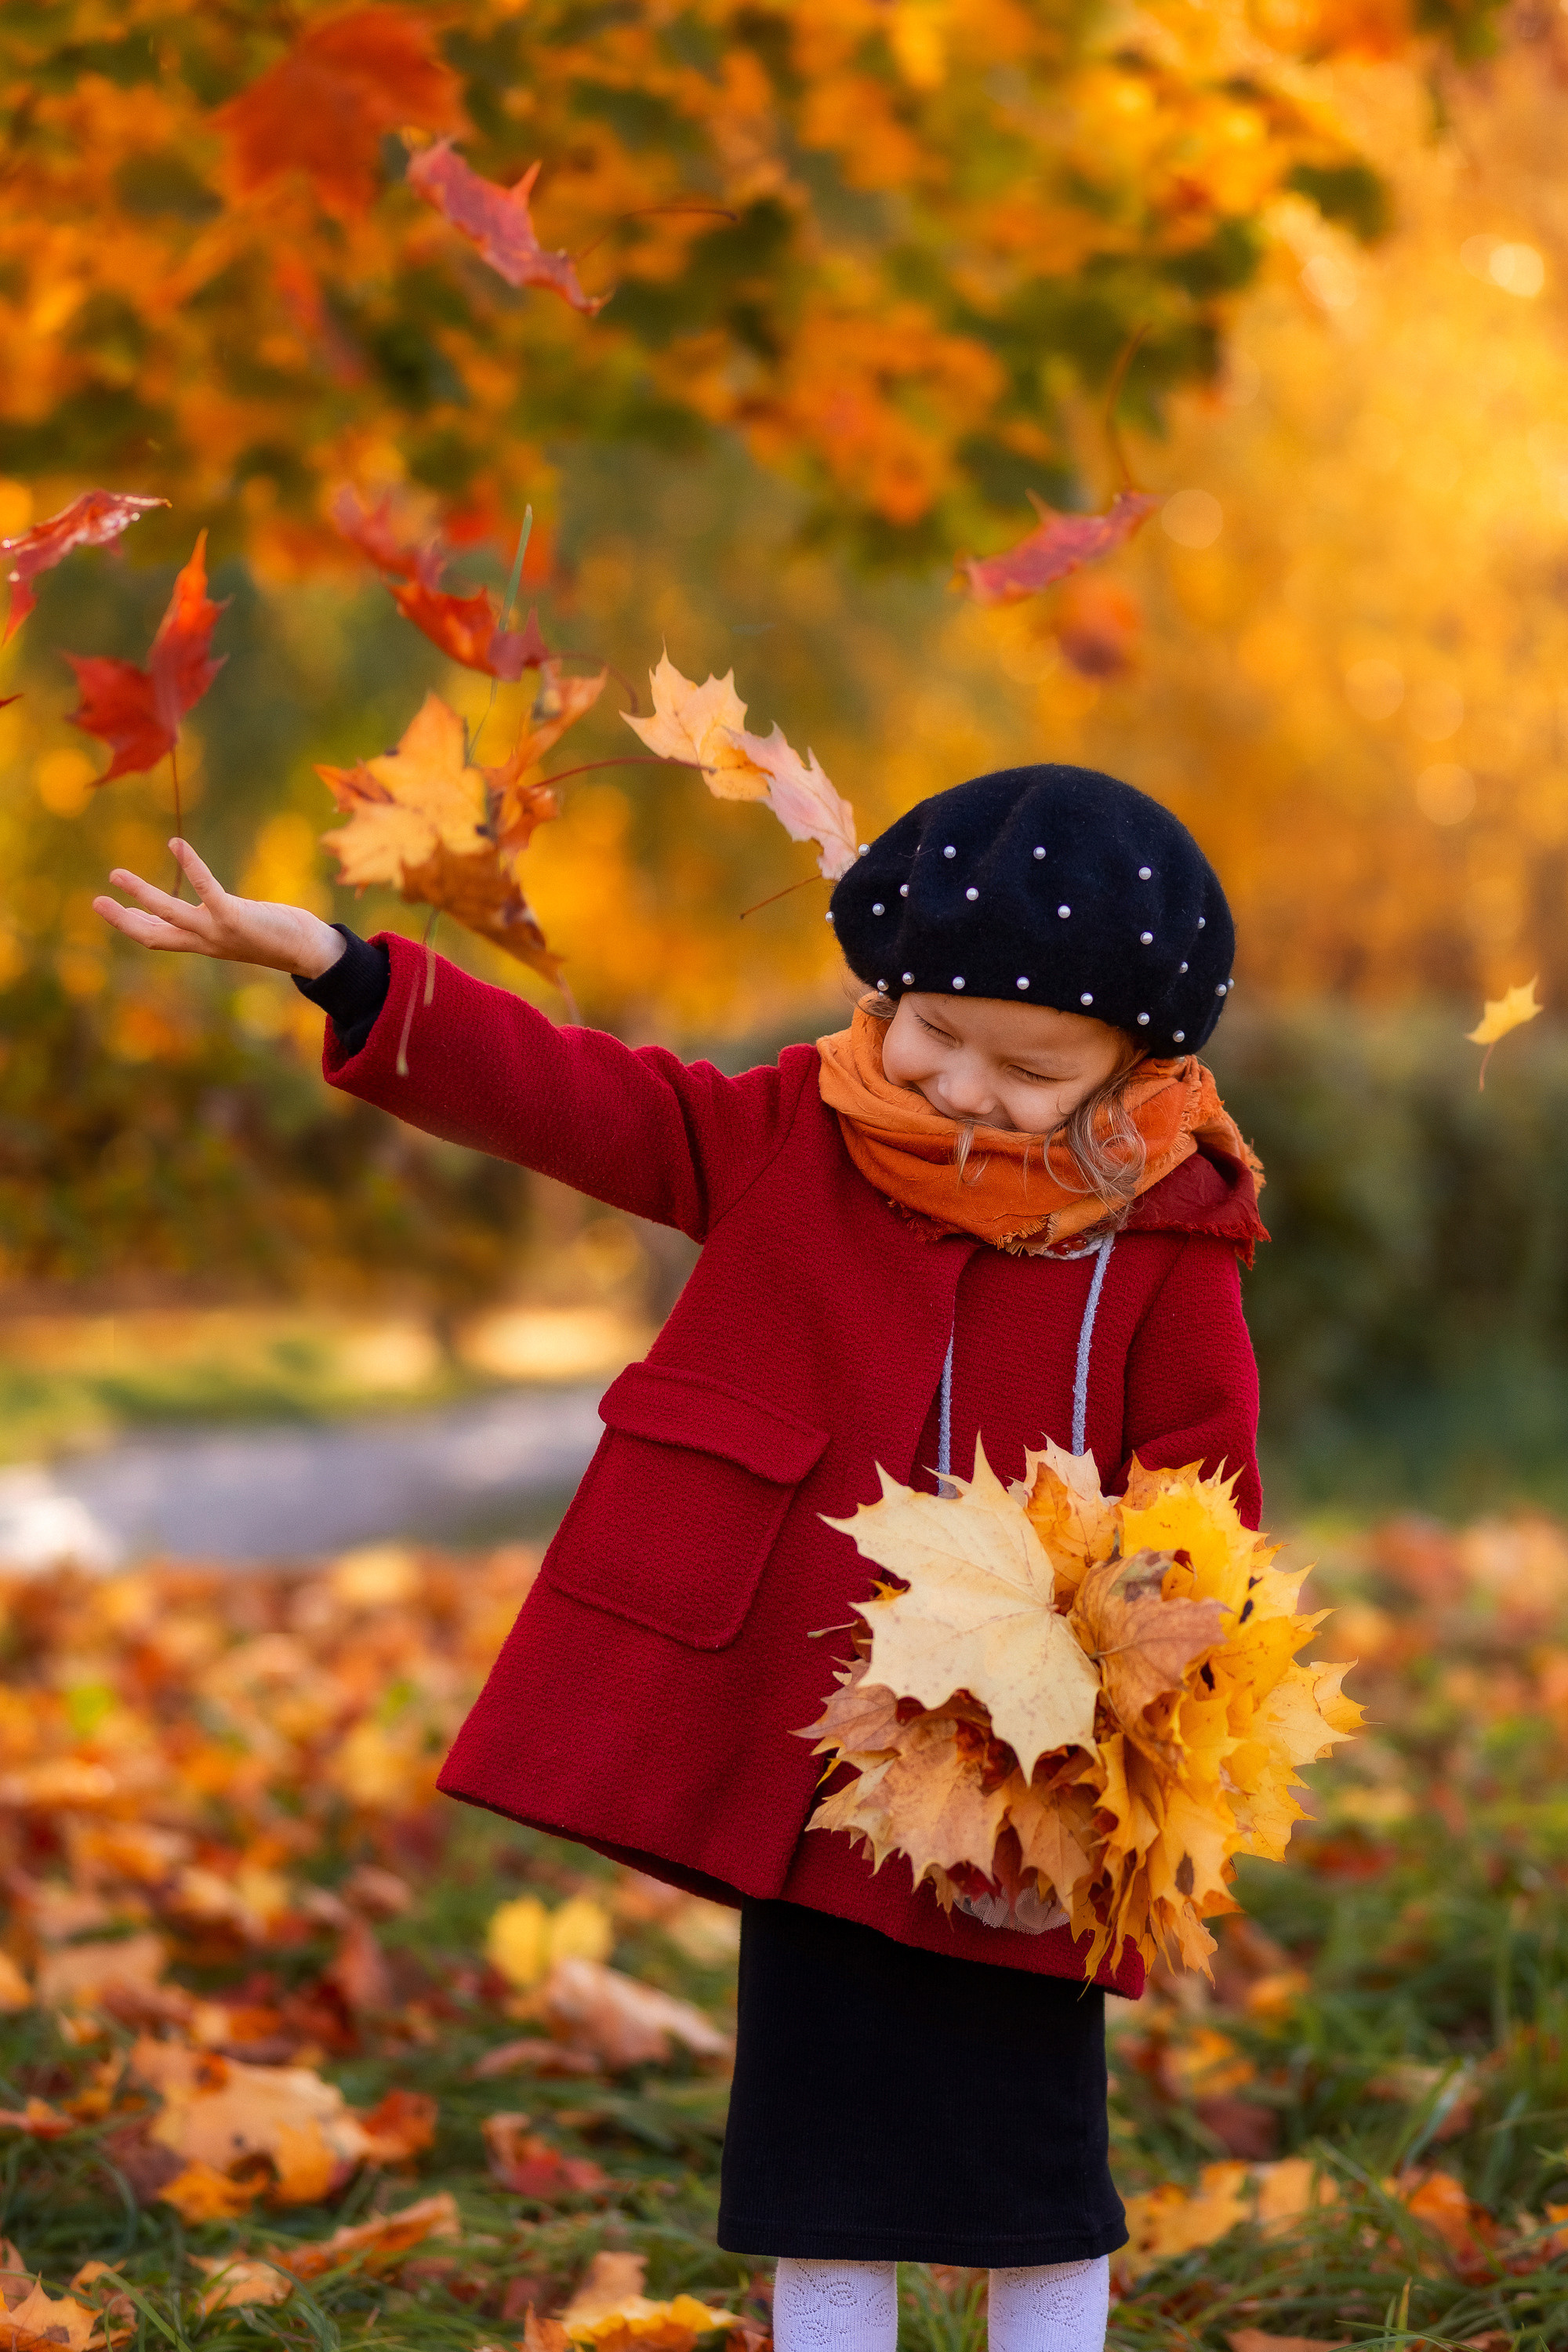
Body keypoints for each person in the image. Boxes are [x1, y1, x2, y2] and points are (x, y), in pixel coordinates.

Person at [96, 762, 1266, 2352]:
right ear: (885, 988)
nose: (963, 1088)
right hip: (817, 1745)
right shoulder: (801, 1132)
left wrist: (1125, 1729)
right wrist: (344, 968)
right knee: (817, 2146)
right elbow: (586, 1099)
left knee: (1030, 2156)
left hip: (1032, 1767)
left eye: (1027, 1067)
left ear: (1138, 1065)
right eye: (933, 1034)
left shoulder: (1165, 1235)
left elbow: (1204, 1505)